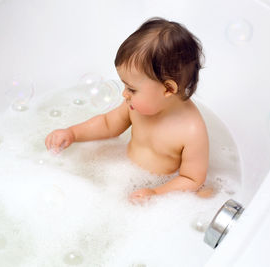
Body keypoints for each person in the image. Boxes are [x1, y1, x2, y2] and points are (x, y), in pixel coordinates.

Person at [45, 17, 210, 203]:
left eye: (132, 89)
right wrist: (72, 133)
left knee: (206, 194)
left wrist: (157, 193)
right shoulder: (136, 107)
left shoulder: (191, 131)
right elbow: (107, 124)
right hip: (123, 174)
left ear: (168, 89)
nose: (125, 94)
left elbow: (192, 179)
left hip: (158, 189)